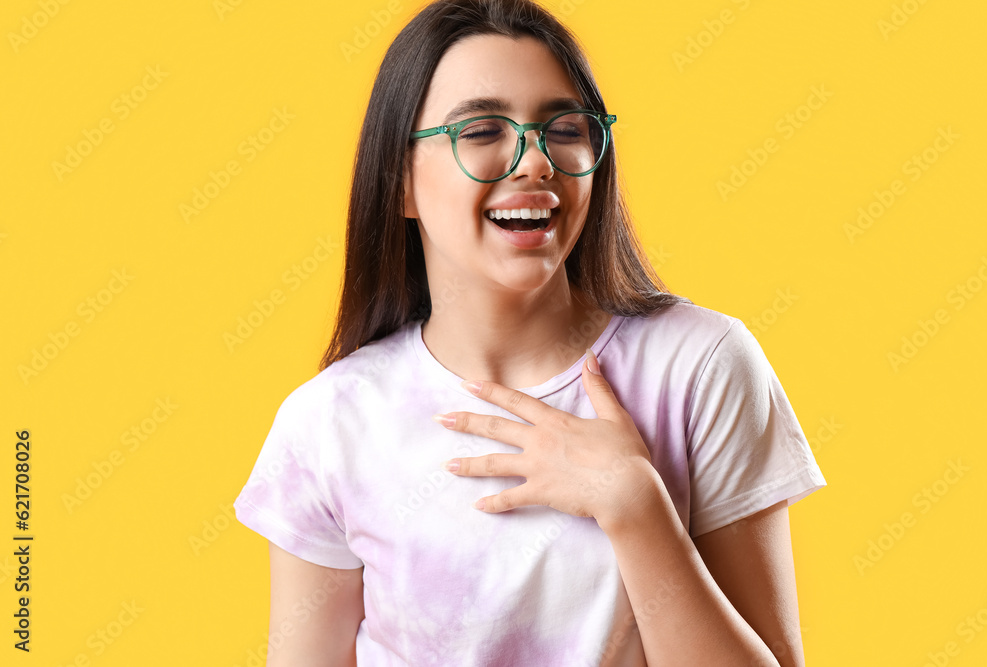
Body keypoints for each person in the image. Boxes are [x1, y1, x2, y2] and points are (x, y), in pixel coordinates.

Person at [233, 1, 826, 665]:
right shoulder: (329, 422)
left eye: (563, 128)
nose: (535, 161)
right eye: (482, 129)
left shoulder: (701, 366)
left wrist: (635, 506)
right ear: (399, 179)